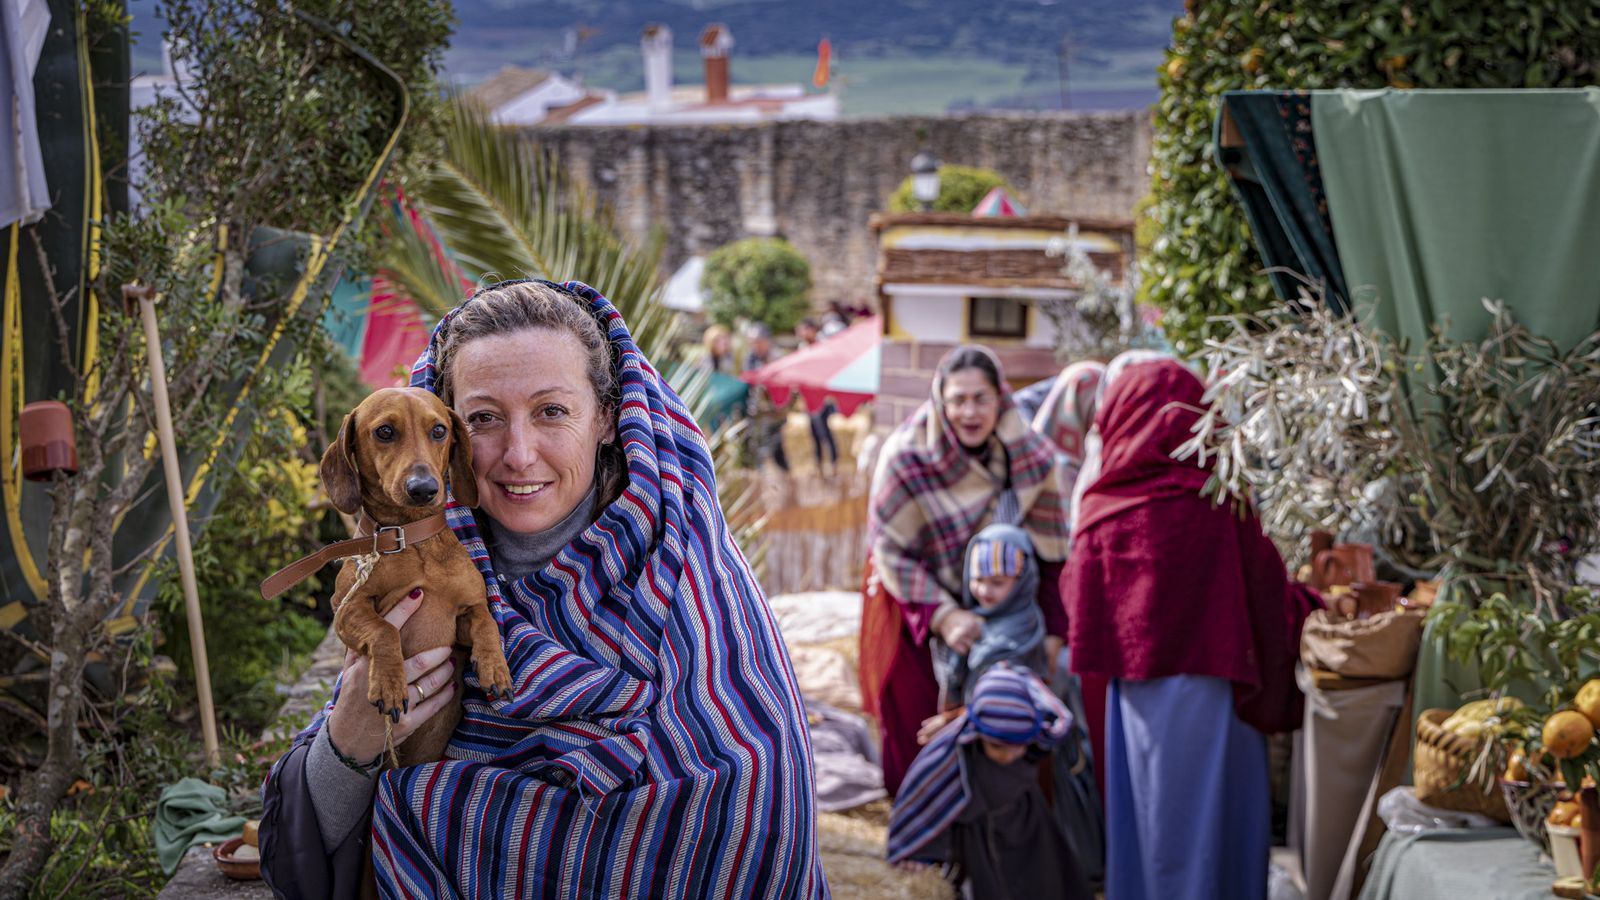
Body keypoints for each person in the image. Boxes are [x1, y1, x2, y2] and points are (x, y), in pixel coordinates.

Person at [259, 280, 828, 898]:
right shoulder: (408, 572)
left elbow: (750, 803)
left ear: (608, 418)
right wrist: (351, 741)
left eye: (551, 411)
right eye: (483, 419)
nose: (518, 454)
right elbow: (301, 849)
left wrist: (424, 802)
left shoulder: (692, 582)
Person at [1062, 352, 1317, 900]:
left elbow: (1076, 602)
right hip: (1219, 694)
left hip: (1136, 704)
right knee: (1217, 827)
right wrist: (1316, 605)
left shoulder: (1101, 509)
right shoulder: (1220, 502)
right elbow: (1269, 596)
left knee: (1151, 824)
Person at [859, 344, 1071, 796]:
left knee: (1012, 707)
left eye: (981, 398)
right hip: (914, 596)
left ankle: (997, 818)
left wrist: (1051, 631)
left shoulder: (1032, 456)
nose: (969, 412)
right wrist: (945, 616)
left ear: (1001, 399)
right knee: (916, 709)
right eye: (958, 399)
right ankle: (923, 816)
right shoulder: (907, 455)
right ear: (940, 401)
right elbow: (890, 552)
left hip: (1003, 599)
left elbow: (1052, 553)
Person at [886, 665, 1094, 900]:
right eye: (997, 747)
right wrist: (918, 851)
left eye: (1018, 746)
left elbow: (1054, 717)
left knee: (1045, 884)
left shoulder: (1035, 743)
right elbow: (927, 800)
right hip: (979, 843)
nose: (1008, 756)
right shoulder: (956, 758)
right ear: (977, 733)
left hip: (1030, 829)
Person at [793, 317, 839, 474]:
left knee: (824, 431)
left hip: (822, 397)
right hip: (809, 397)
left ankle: (833, 465)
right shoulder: (803, 347)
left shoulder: (823, 347)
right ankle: (819, 465)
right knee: (814, 432)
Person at [743, 322, 789, 472]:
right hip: (757, 413)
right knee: (756, 450)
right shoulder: (750, 359)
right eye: (752, 342)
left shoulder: (777, 359)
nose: (755, 346)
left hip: (775, 414)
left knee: (777, 451)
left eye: (758, 342)